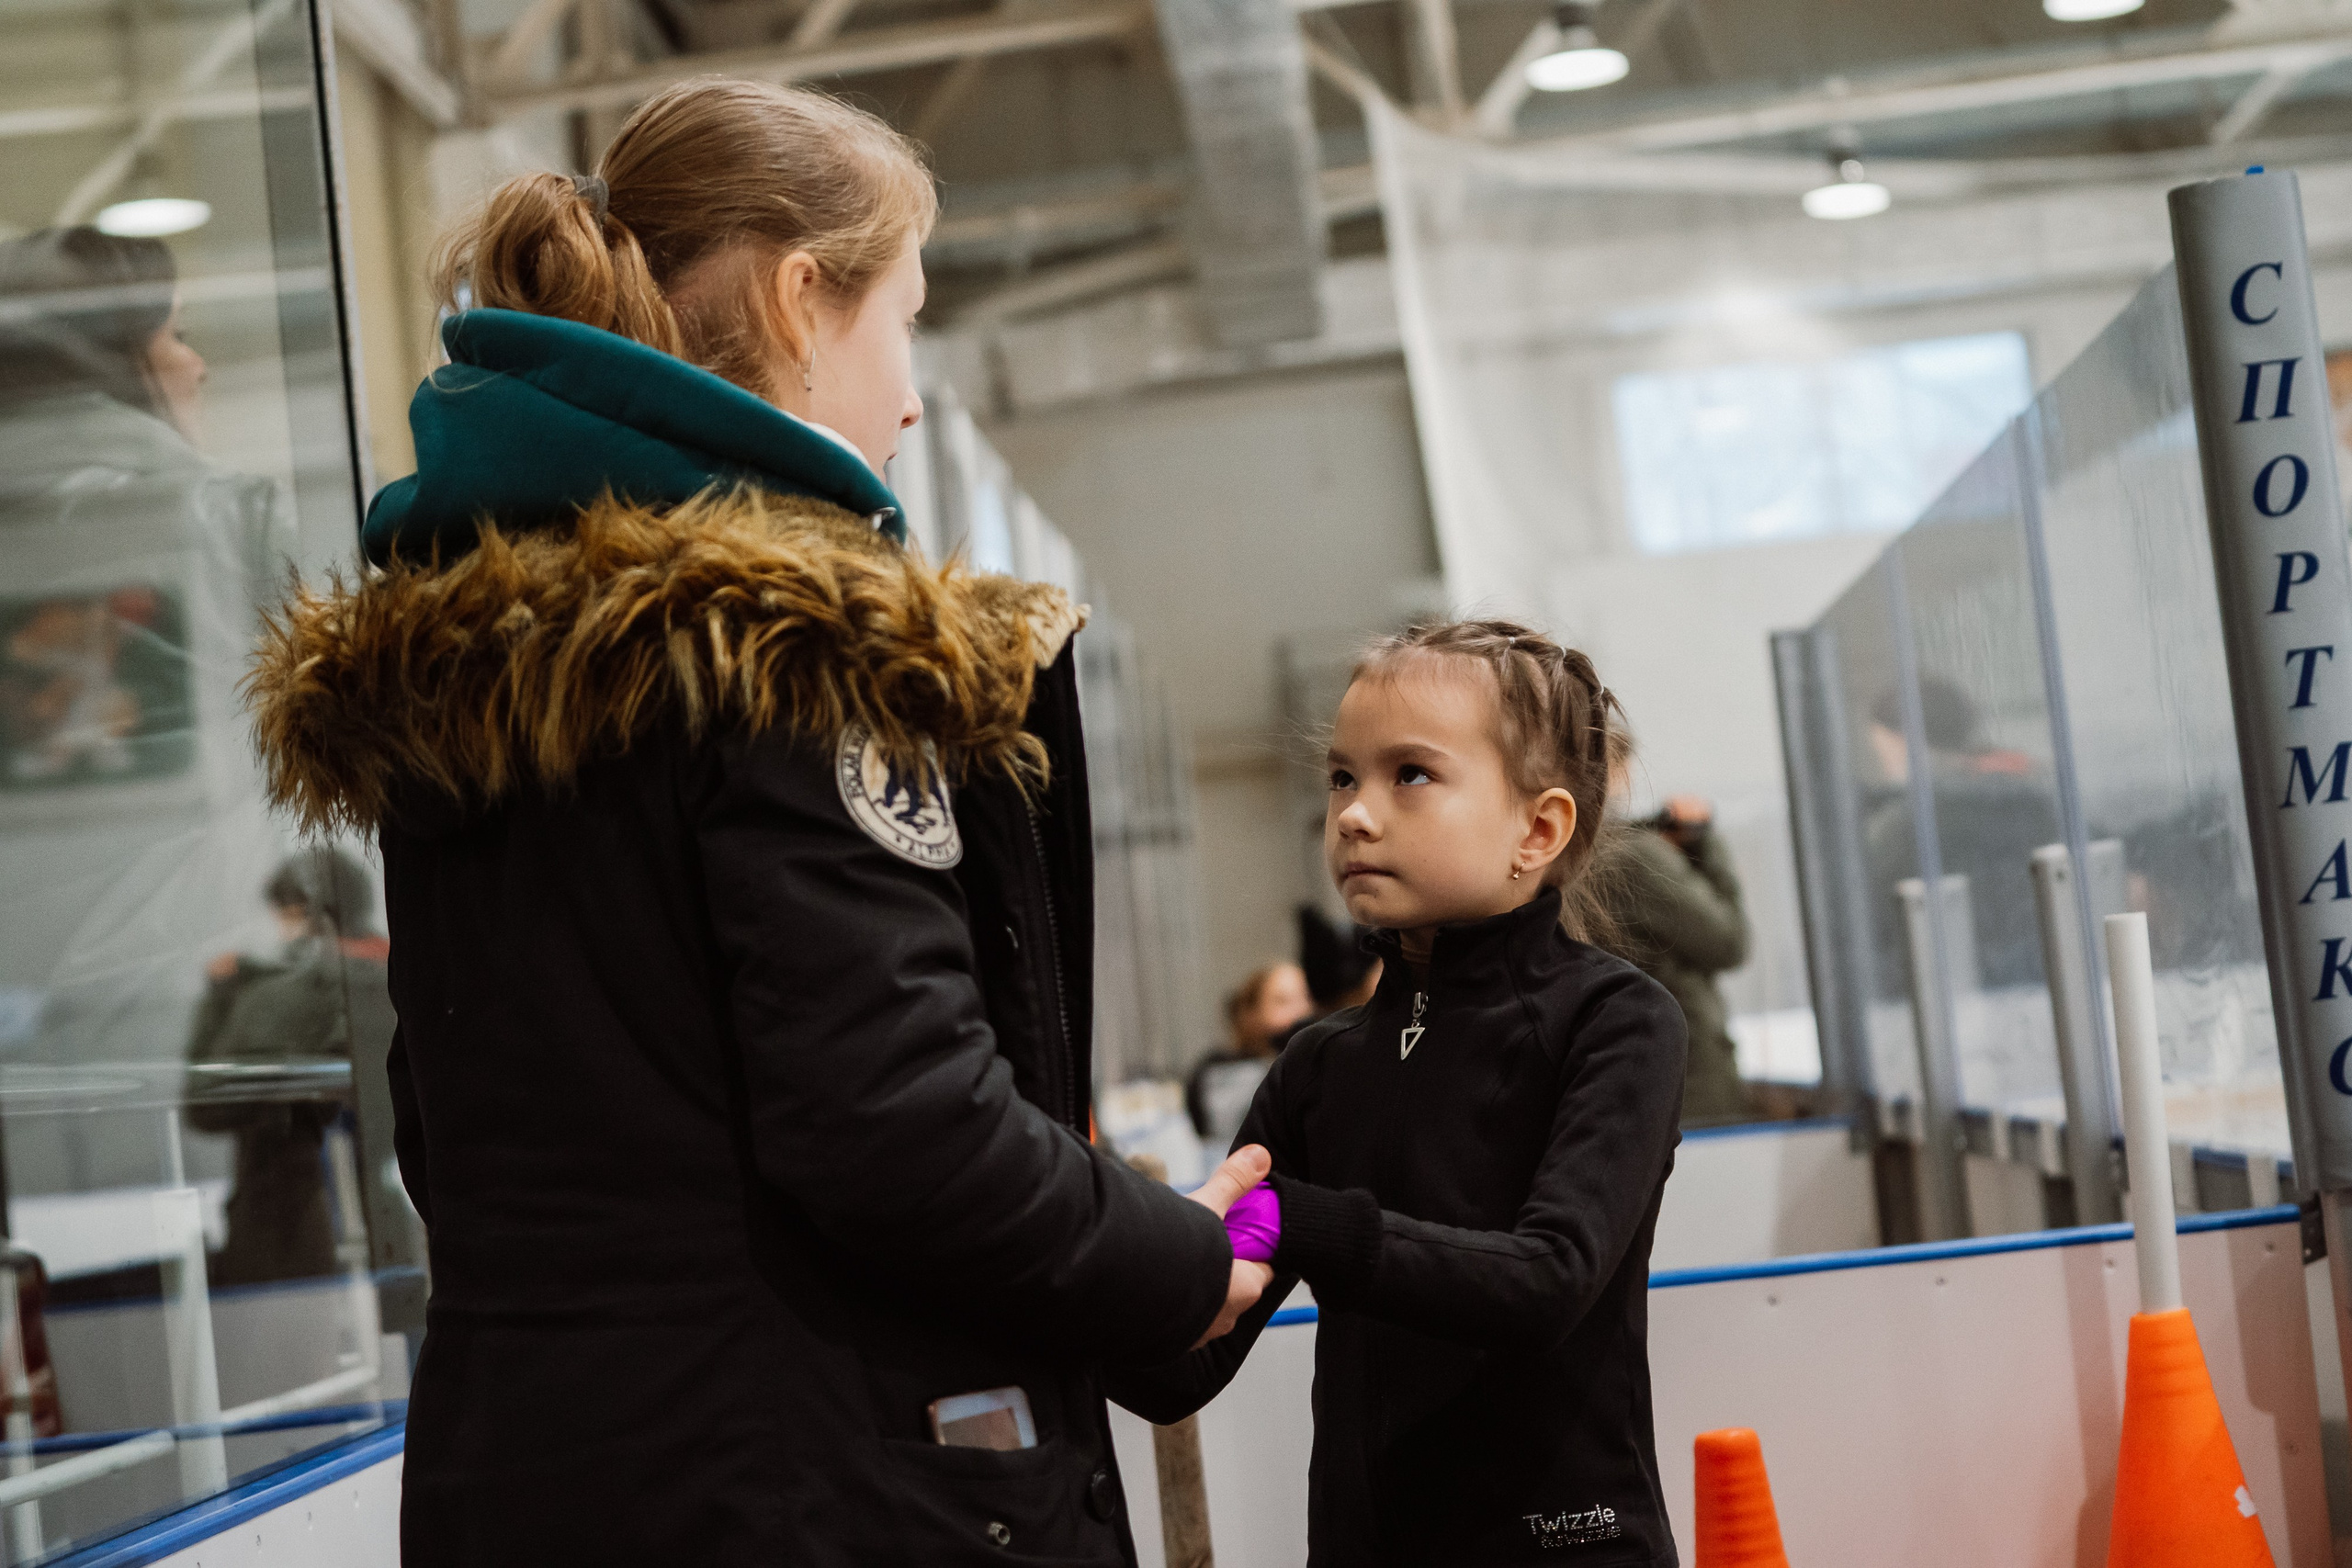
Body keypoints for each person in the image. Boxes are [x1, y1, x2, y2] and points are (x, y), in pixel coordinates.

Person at [245, 79, 1269, 1566]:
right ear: (803, 298)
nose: (911, 393)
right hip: (794, 1491)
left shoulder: (475, 665)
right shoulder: (785, 646)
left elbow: (449, 1120)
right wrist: (1176, 1253)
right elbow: (902, 1121)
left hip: (525, 1477)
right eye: (902, 318)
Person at [1109, 620, 1686, 1567]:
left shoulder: (1618, 1023)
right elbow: (1183, 1366)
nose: (1353, 815)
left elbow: (1546, 1281)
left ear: (1536, 830)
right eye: (1342, 777)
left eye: (1408, 775)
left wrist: (1296, 1220)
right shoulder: (1318, 1068)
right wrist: (1074, 1231)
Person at [185, 849, 390, 1287]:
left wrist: (220, 996)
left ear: (297, 912)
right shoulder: (405, 979)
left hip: (288, 1245)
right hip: (399, 1228)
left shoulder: (277, 995)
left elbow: (205, 1106)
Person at [1610, 794, 1751, 1125]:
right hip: (1691, 1075)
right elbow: (1730, 942)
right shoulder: (1639, 857)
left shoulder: (1595, 853)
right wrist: (1707, 842)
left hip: (1647, 1069)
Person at [1185, 960, 1311, 1148]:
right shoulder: (1220, 1073)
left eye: (1307, 997)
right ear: (1251, 1013)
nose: (1302, 1010)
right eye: (1282, 1001)